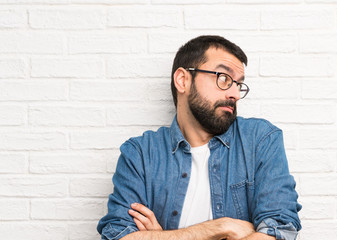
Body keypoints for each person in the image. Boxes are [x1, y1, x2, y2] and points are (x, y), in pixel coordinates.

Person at [97, 35, 302, 240]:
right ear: (183, 80)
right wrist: (222, 227)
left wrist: (163, 237)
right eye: (224, 78)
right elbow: (117, 236)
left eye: (238, 84)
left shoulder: (260, 140)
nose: (235, 94)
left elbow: (279, 231)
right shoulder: (141, 153)